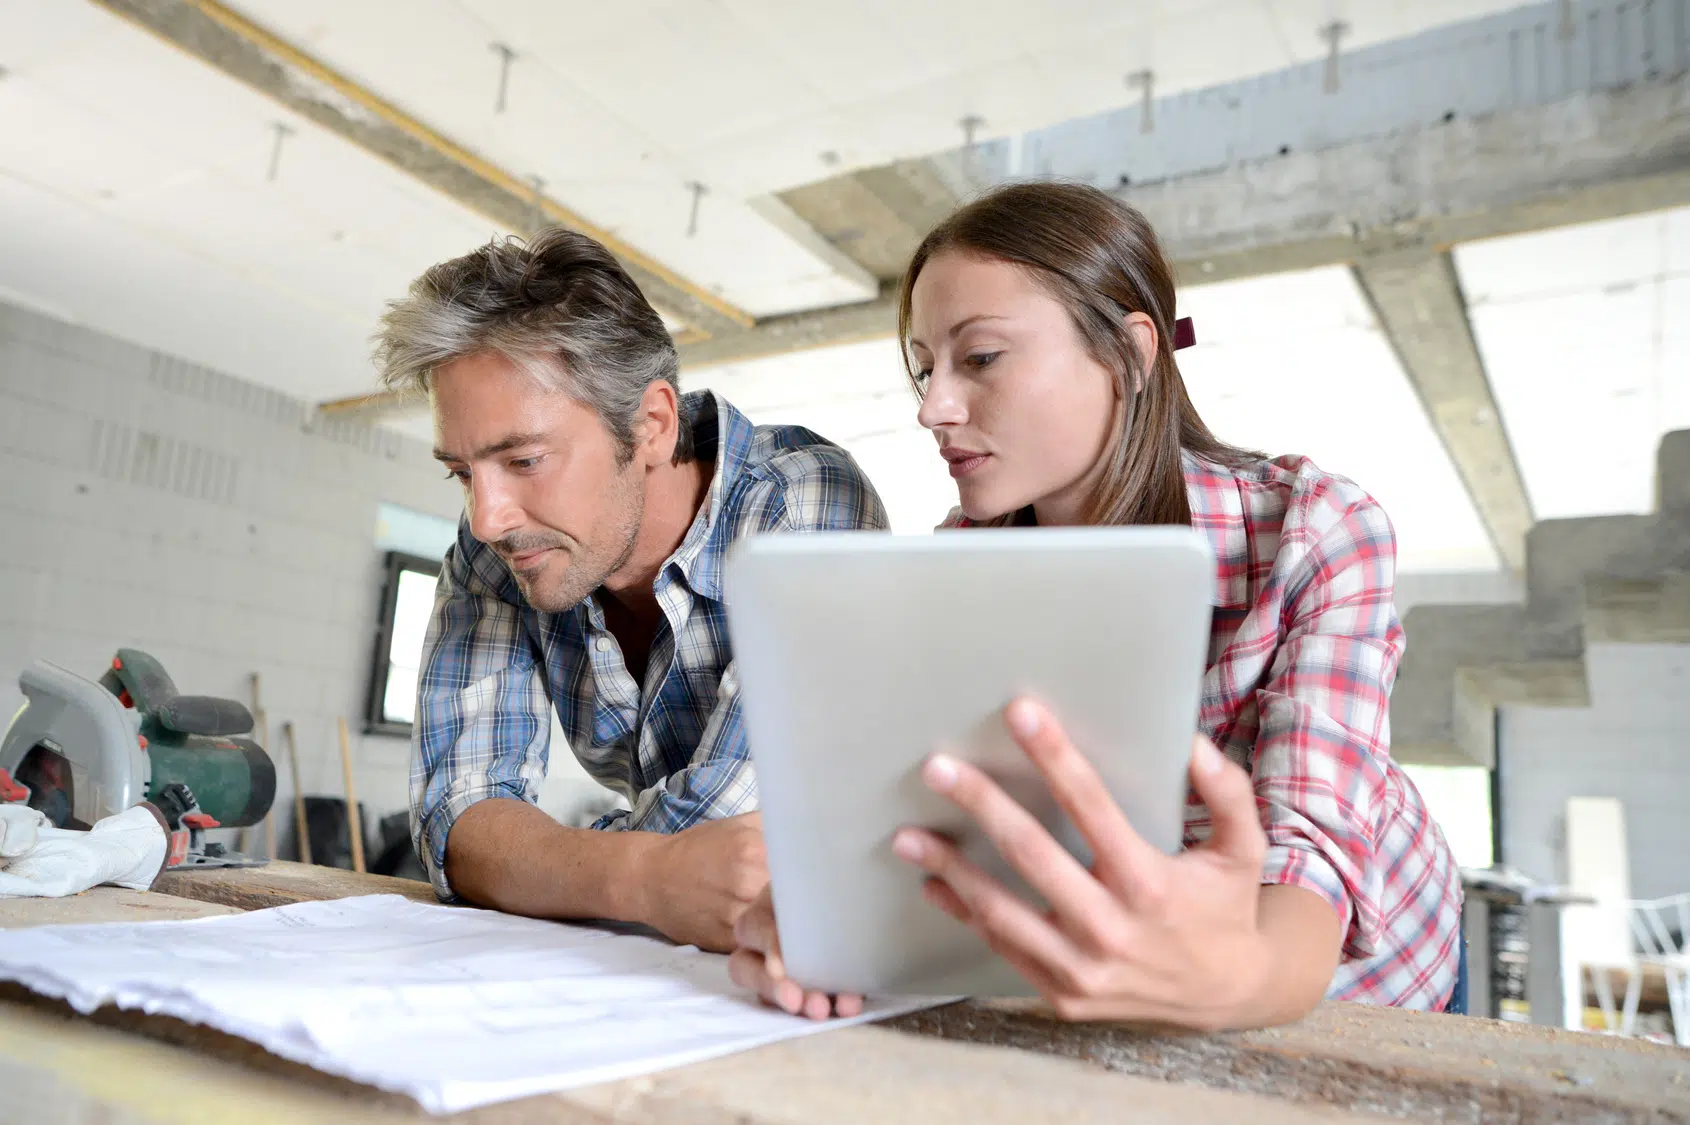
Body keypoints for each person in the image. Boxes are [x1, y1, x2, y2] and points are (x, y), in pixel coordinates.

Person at [728, 182, 1464, 1027]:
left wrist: (1239, 972)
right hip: (1124, 990)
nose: (934, 406)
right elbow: (940, 827)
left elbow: (1311, 856)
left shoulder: (1313, 527)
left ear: (1128, 353)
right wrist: (834, 924)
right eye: (926, 366)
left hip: (1368, 985)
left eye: (982, 357)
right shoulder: (957, 569)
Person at [376, 228, 888, 952]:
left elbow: (737, 834)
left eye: (523, 458)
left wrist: (554, 864)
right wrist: (644, 876)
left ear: (651, 424)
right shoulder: (502, 545)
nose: (487, 518)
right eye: (461, 472)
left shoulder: (801, 503)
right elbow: (457, 817)